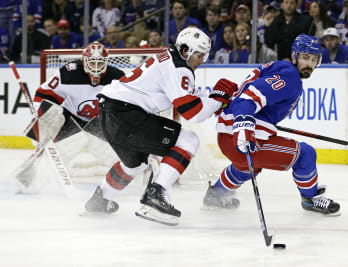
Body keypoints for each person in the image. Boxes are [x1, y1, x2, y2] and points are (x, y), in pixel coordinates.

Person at [84, 27, 238, 226]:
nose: (201, 61)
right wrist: (218, 100)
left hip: (109, 111)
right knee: (188, 140)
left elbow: (186, 97)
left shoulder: (168, 57)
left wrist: (211, 99)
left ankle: (101, 199)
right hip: (126, 115)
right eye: (199, 55)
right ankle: (155, 195)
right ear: (185, 51)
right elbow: (192, 112)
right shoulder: (181, 69)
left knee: (135, 164)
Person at [202, 34, 341, 216]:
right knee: (305, 154)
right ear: (294, 56)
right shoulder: (290, 76)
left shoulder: (279, 68)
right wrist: (244, 126)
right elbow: (250, 96)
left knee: (247, 167)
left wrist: (262, 123)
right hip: (240, 135)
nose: (309, 64)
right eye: (305, 58)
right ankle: (310, 198)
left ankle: (217, 193)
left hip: (227, 136)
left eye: (314, 60)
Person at [24, 42, 126, 185]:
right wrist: (41, 115)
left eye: (100, 63)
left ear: (106, 62)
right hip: (70, 119)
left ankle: (134, 173)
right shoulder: (68, 73)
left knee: (115, 159)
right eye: (92, 62)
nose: (96, 67)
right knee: (53, 117)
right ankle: (41, 174)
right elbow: (44, 93)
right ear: (84, 61)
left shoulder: (117, 77)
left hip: (99, 122)